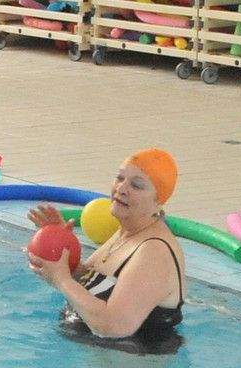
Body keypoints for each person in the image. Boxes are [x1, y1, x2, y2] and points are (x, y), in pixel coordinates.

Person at [25, 150, 186, 354]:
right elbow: (99, 284)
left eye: (136, 185)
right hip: (97, 362)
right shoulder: (126, 234)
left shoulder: (154, 251)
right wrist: (59, 247)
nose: (122, 188)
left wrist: (62, 280)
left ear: (158, 201)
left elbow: (114, 326)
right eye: (120, 178)